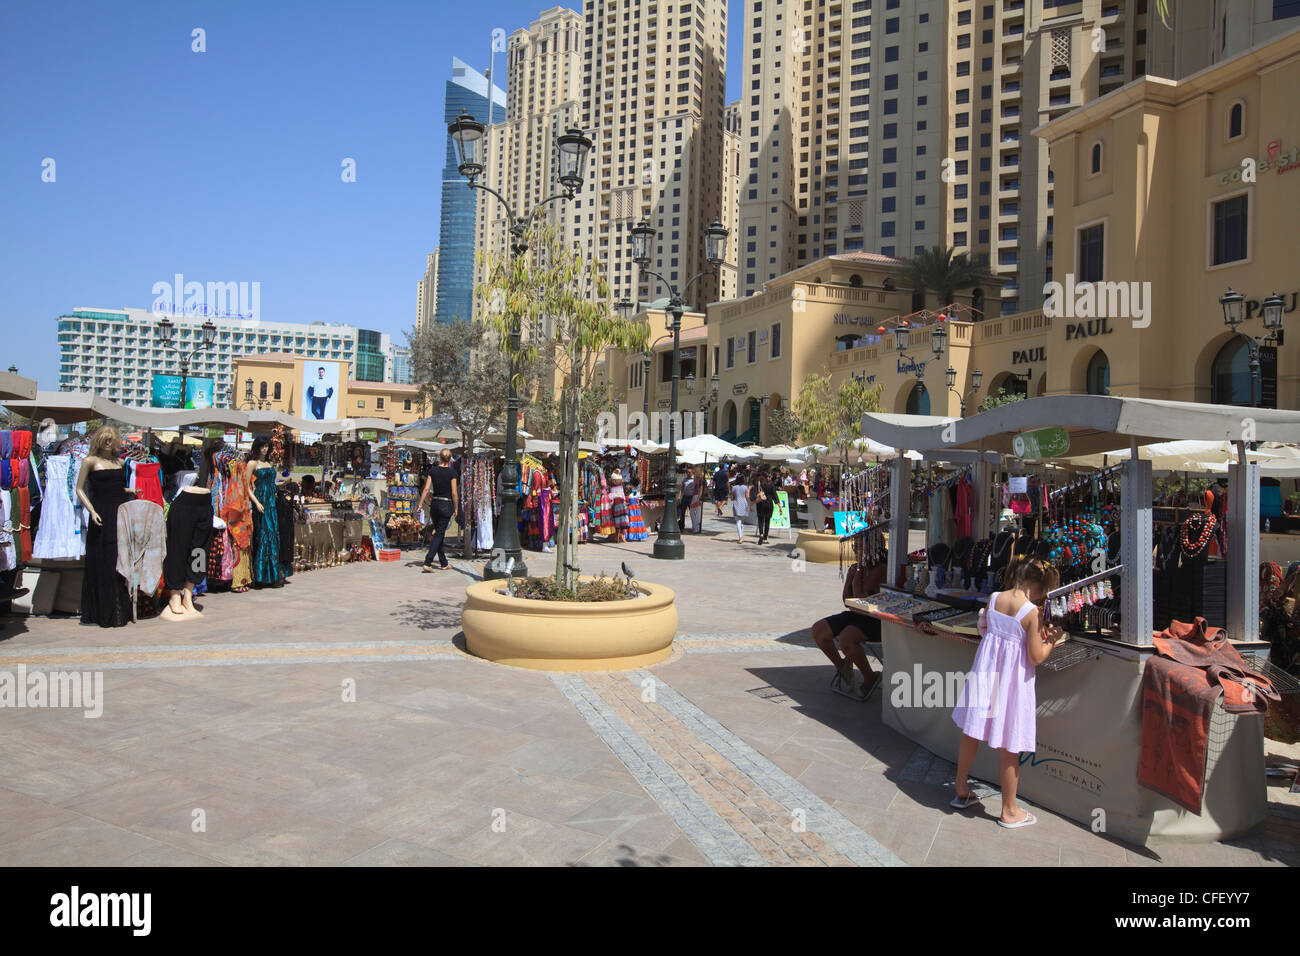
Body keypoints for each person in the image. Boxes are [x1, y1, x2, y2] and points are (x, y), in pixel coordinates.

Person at [950, 555, 1063, 828]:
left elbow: (985, 629)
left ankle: (961, 788)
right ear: (1037, 587)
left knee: (972, 731)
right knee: (1010, 745)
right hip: (1012, 684)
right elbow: (1036, 656)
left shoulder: (995, 598)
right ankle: (1009, 810)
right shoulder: (1031, 613)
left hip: (986, 675)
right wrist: (1053, 641)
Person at [75, 426, 137, 627]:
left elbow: (117, 488)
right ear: (99, 440)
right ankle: (100, 612)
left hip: (120, 512)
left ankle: (118, 611)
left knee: (119, 560)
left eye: (112, 439)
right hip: (101, 514)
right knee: (102, 559)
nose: (109, 443)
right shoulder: (89, 461)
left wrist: (131, 490)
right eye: (106, 439)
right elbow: (79, 489)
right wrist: (92, 511)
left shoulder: (120, 462)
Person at [810, 538, 887, 698]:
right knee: (819, 630)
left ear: (872, 549)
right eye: (855, 546)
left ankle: (870, 677)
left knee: (846, 639)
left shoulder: (880, 569)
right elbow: (846, 599)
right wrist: (855, 571)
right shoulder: (855, 568)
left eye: (859, 547)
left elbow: (860, 595)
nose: (855, 550)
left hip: (875, 618)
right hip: (856, 613)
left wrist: (858, 571)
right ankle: (843, 667)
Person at [245, 437, 284, 587]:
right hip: (260, 501)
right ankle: (260, 576)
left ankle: (272, 575)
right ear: (256, 448)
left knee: (272, 537)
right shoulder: (252, 464)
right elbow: (246, 485)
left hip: (271, 503)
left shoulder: (269, 463)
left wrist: (281, 485)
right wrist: (256, 502)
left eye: (266, 446)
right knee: (262, 537)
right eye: (262, 446)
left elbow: (272, 483)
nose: (264, 449)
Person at [416, 448, 458, 571]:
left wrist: (420, 503)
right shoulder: (452, 473)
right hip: (446, 504)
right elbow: (454, 492)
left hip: (435, 504)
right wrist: (456, 507)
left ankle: (444, 562)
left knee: (439, 533)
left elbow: (426, 489)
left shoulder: (433, 471)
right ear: (450, 459)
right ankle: (428, 561)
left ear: (440, 457)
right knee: (439, 534)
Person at [752, 468, 777, 544]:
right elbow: (775, 496)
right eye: (769, 476)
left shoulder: (758, 483)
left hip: (760, 503)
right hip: (769, 504)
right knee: (767, 521)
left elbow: (754, 494)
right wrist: (779, 506)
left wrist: (752, 502)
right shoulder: (771, 484)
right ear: (767, 477)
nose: (770, 478)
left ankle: (761, 534)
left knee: (760, 520)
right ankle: (765, 538)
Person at [730, 470, 750, 543]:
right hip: (744, 504)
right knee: (742, 522)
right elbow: (747, 497)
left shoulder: (734, 487)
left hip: (737, 504)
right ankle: (741, 536)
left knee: (738, 521)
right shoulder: (745, 487)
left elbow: (732, 498)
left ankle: (740, 537)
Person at [688, 467, 704, 533]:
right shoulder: (696, 479)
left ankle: (696, 528)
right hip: (694, 496)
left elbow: (701, 489)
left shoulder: (701, 479)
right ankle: (695, 527)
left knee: (697, 513)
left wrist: (698, 498)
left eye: (694, 472)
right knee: (692, 512)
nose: (693, 473)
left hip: (697, 496)